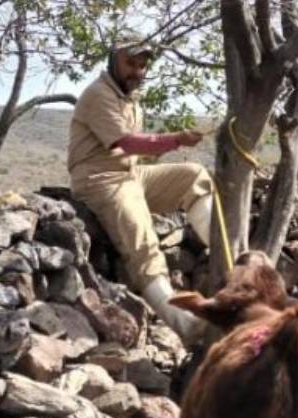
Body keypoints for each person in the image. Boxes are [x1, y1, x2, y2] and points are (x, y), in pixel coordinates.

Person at [67, 32, 214, 343]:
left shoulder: (128, 98)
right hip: (101, 182)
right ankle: (187, 327)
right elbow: (127, 142)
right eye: (130, 63)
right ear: (113, 61)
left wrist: (169, 145)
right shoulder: (98, 94)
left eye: (142, 65)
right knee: (144, 245)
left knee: (194, 176)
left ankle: (223, 254)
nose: (138, 71)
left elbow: (133, 151)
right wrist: (176, 139)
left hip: (130, 174)